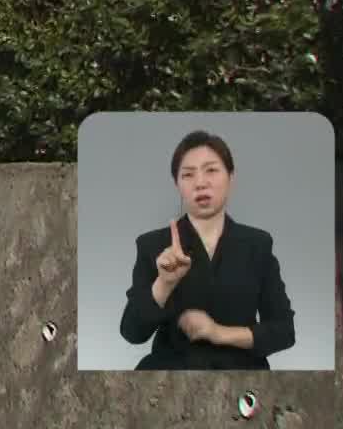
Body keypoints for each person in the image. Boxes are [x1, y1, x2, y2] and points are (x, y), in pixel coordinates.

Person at [117, 129, 296, 370]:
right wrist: (164, 284)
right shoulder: (153, 245)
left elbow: (284, 331)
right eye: (188, 175)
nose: (200, 183)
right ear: (177, 184)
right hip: (171, 376)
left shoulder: (258, 244)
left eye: (211, 170)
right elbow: (132, 332)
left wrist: (218, 333)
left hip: (243, 375)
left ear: (231, 177)